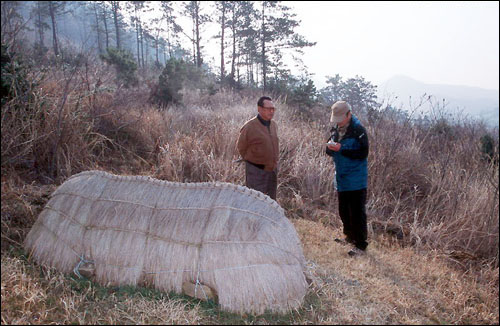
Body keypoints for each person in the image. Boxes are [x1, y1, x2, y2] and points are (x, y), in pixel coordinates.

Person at [325, 101, 369, 256]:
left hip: (356, 178)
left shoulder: (358, 130)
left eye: (340, 118)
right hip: (342, 177)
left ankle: (361, 245)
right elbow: (329, 151)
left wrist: (342, 148)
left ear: (349, 114)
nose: (337, 121)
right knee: (343, 210)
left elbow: (363, 153)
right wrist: (330, 148)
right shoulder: (336, 128)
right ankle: (349, 236)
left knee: (357, 212)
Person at [236, 96, 279, 200]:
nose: (271, 111)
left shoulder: (273, 125)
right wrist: (253, 161)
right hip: (256, 172)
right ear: (259, 109)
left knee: (270, 202)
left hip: (272, 171)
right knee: (255, 202)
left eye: (273, 109)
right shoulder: (250, 126)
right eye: (268, 109)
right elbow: (241, 147)